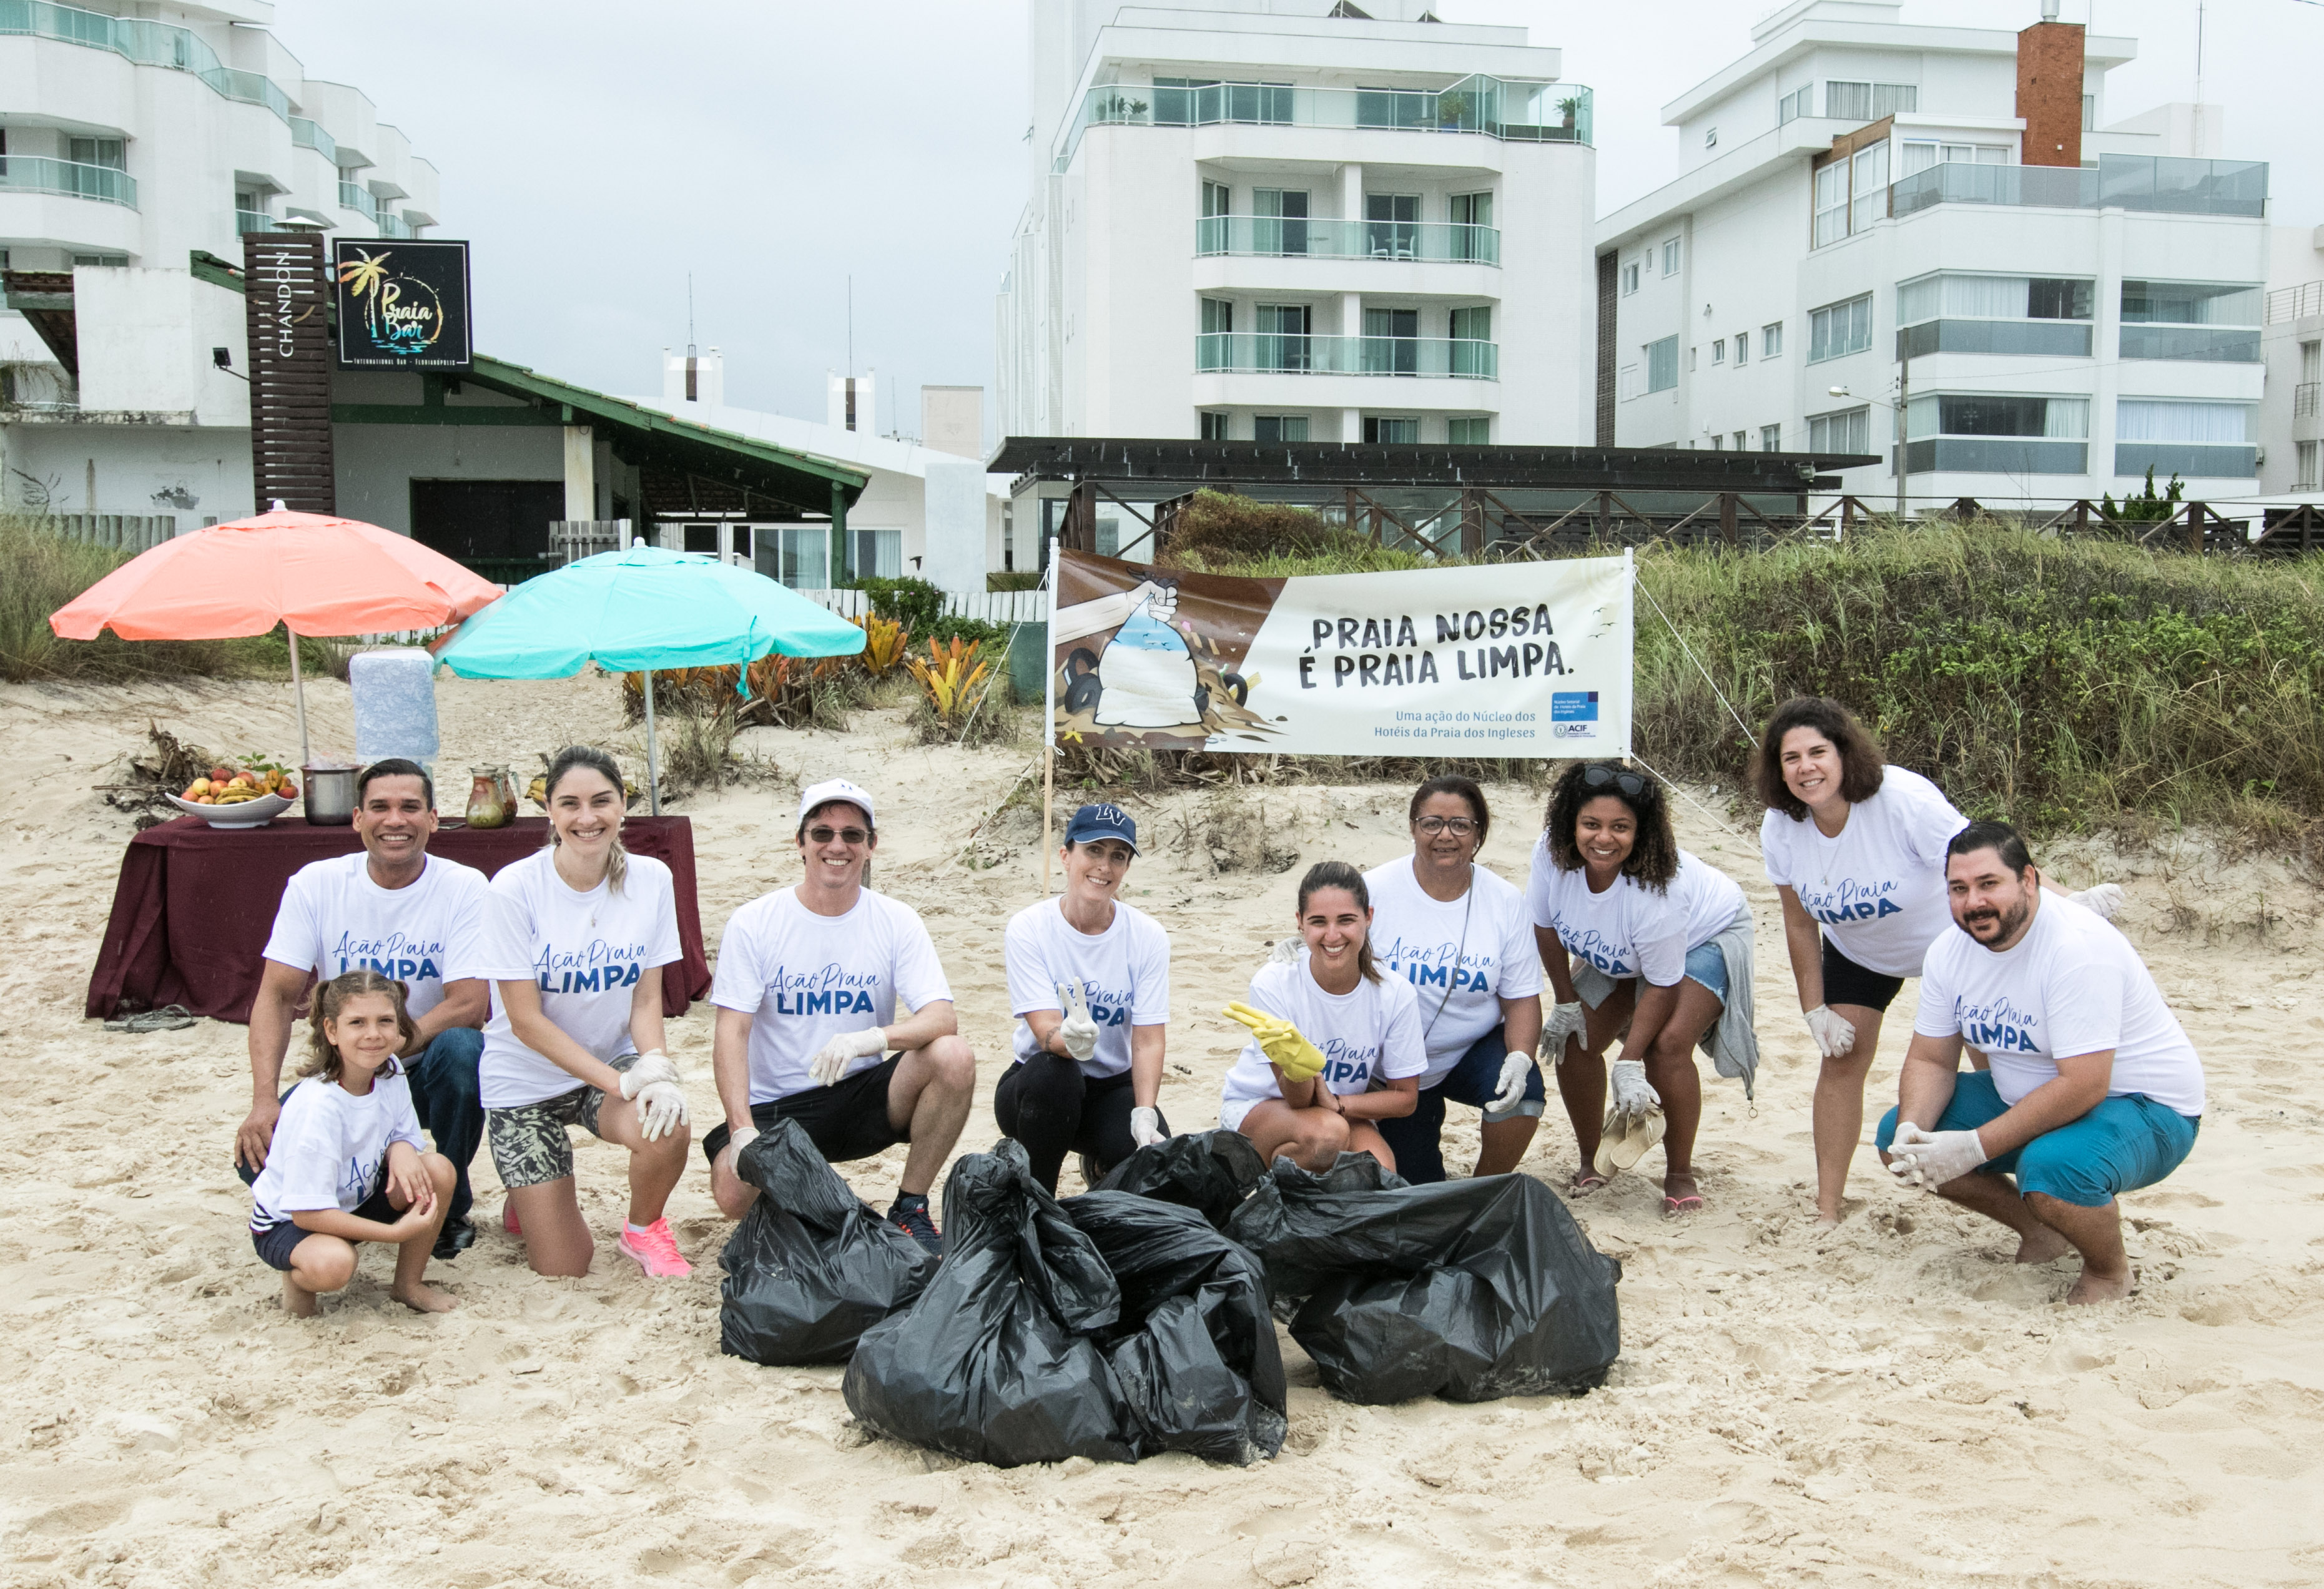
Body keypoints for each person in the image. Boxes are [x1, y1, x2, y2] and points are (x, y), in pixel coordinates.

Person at [1758, 698, 2130, 1225]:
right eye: (1790, 757)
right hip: (1860, 950)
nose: (1805, 767)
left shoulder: (1901, 798)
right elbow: (1799, 922)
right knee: (1840, 1060)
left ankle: (2039, 1191)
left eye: (1818, 751)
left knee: (1993, 1058)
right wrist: (1814, 1008)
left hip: (1953, 940)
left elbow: (1982, 860)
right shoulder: (1780, 828)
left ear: (1844, 753)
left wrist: (2068, 903)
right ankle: (1828, 1209)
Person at [1878, 821, 2203, 1304]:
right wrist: (1912, 1127)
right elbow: (1931, 1059)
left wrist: (1971, 1147)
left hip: (2144, 1106)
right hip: (2031, 1093)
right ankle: (2040, 1229)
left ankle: (2109, 1272)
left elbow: (2084, 1085)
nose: (1974, 902)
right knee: (1895, 1140)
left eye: (1990, 884)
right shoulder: (1949, 951)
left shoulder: (2076, 948)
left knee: (2050, 1169)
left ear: (2029, 880)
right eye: (1959, 888)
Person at [704, 779, 975, 1253]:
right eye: (822, 832)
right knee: (731, 1193)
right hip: (782, 1104)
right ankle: (792, 1205)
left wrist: (871, 1038)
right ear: (800, 842)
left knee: (953, 1057)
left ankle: (911, 1204)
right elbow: (732, 1030)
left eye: (853, 835)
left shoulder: (896, 920)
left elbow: (941, 1017)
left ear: (871, 846)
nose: (837, 845)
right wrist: (741, 1126)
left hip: (863, 1093)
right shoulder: (756, 921)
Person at [239, 757, 491, 1259]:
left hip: (424, 1063)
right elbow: (276, 994)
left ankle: (448, 1200)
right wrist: (264, 1098)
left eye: (410, 807)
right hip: (344, 1070)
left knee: (467, 1051)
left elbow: (469, 1003)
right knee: (258, 1159)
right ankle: (351, 1203)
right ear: (357, 818)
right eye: (380, 807)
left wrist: (389, 1045)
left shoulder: (464, 886)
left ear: (434, 819)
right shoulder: (317, 883)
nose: (395, 820)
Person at [476, 746, 694, 1280]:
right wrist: (621, 1084)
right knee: (564, 1266)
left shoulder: (651, 880)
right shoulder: (514, 889)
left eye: (602, 801)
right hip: (524, 1083)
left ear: (623, 804)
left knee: (668, 1123)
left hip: (605, 1064)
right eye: (569, 803)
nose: (587, 817)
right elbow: (525, 1021)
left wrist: (655, 1068)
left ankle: (643, 1229)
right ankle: (525, 1192)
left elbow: (645, 998)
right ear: (548, 810)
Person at [1527, 761, 1758, 1214]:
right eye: (1590, 824)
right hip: (1621, 944)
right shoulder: (1550, 854)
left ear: (1641, 831)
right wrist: (1566, 1001)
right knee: (1575, 1039)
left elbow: (1663, 982)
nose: (1603, 837)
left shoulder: (1660, 887)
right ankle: (1593, 1157)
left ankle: (1679, 1172)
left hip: (1704, 933)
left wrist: (1629, 1060)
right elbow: (1545, 926)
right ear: (1570, 824)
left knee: (1666, 1046)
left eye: (1621, 826)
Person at [1362, 775, 1547, 1183]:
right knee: (1416, 1185)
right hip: (1392, 1069)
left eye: (1461, 825)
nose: (1445, 835)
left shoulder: (1504, 901)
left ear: (1478, 833)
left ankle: (1484, 1190)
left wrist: (1520, 1056)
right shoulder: (1373, 889)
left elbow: (1520, 998)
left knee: (1525, 1094)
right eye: (1432, 823)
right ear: (1412, 827)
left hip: (1465, 1050)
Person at [246, 970, 459, 1316]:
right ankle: (298, 1284)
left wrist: (403, 1147)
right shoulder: (318, 1107)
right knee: (335, 1264)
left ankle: (408, 1285)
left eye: (386, 1021)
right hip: (290, 1222)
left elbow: (403, 1131)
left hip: (352, 1198)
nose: (373, 1035)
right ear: (331, 1031)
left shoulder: (389, 1067)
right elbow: (307, 1212)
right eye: (357, 1022)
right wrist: (394, 1234)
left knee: (437, 1170)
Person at [995, 803, 1172, 1195]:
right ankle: (1037, 1201)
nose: (1104, 867)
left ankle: (1100, 1167)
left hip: (1110, 1086)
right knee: (1054, 1076)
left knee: (1154, 1160)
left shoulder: (1147, 936)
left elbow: (1148, 1039)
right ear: (1066, 855)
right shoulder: (1029, 928)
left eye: (1118, 856)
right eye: (1093, 850)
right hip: (1036, 1087)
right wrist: (1069, 1040)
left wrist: (1144, 1111)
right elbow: (1044, 1033)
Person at [1219, 860, 1426, 1173]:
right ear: (1300, 923)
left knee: (1382, 1175)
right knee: (1326, 1137)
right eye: (1318, 922)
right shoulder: (1274, 982)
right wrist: (1298, 1069)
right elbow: (1299, 1101)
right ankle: (1270, 1200)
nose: (1332, 935)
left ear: (1368, 918)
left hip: (1342, 1112)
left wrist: (1340, 1103)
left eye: (1346, 920)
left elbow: (1405, 1098)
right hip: (1265, 1107)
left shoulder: (1395, 993)